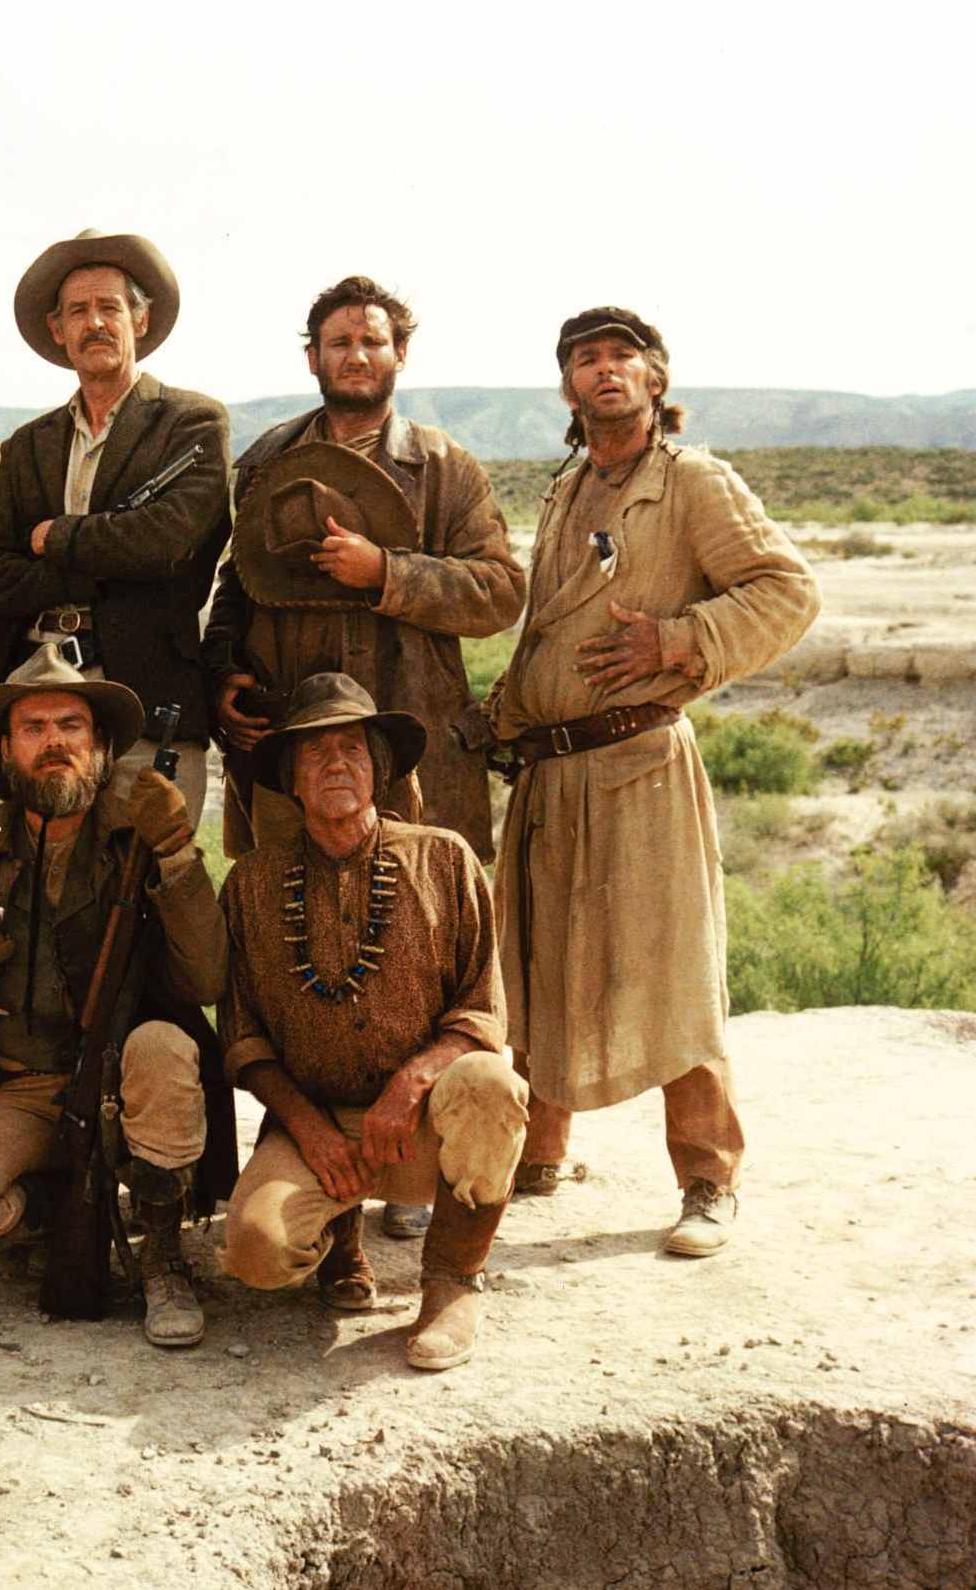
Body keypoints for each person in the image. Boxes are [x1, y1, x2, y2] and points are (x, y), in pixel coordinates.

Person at [483, 307, 821, 1255]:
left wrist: (680, 641)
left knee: (670, 970)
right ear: (567, 388)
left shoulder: (693, 480)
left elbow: (787, 589)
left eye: (622, 357)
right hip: (552, 770)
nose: (604, 372)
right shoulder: (565, 490)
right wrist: (500, 722)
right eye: (585, 360)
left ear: (656, 379)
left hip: (640, 763)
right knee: (542, 962)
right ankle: (539, 1151)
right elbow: (542, 634)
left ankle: (708, 1178)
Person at [204, 276, 524, 1241]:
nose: (355, 354)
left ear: (399, 355)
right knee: (293, 954)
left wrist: (386, 573)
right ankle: (311, 1169)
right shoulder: (268, 459)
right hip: (292, 756)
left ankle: (427, 1165)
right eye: (337, 340)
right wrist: (225, 675)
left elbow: (500, 590)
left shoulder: (444, 468)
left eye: (373, 340)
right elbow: (236, 589)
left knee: (421, 952)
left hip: (411, 744)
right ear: (311, 355)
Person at [0, 646, 238, 1348]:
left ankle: (162, 1252)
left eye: (71, 725)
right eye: (33, 727)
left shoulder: (140, 838)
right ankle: (54, 1215)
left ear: (101, 745)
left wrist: (177, 848)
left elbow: (208, 976)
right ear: (5, 750)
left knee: (165, 1046)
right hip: (19, 1085)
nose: (54, 741)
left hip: (125, 1071)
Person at [216, 675, 527, 1371]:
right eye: (316, 751)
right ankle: (338, 1241)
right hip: (316, 1126)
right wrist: (309, 1127)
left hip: (420, 1126)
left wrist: (410, 1083)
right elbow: (243, 1039)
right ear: (291, 778)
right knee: (257, 1251)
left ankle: (452, 1280)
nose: (336, 763)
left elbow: (483, 1010)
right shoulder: (252, 884)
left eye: (352, 748)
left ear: (378, 769)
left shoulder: (444, 858)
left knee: (491, 1083)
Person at [0, 228, 229, 822]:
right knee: (49, 886)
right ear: (58, 330)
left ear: (141, 319)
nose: (95, 323)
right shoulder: (28, 444)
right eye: (78, 311)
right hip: (41, 703)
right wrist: (104, 565)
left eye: (110, 307)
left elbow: (168, 546)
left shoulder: (192, 424)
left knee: (151, 884)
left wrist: (54, 540)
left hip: (150, 701)